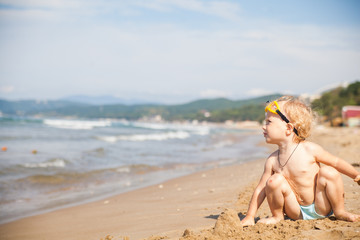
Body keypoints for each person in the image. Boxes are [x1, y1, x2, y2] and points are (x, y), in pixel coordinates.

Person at [241, 96, 360, 225]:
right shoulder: (272, 160)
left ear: (288, 128)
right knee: (273, 181)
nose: (263, 127)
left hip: (321, 205)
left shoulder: (309, 149)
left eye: (268, 122)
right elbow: (261, 189)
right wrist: (249, 216)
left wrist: (356, 175)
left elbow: (336, 162)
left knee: (329, 171)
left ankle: (340, 211)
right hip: (295, 211)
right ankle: (277, 216)